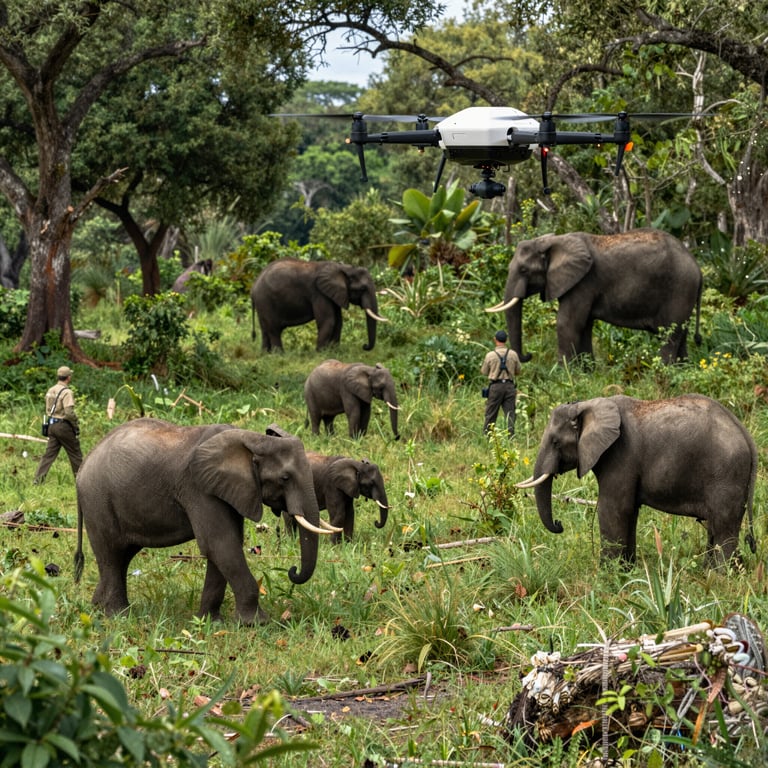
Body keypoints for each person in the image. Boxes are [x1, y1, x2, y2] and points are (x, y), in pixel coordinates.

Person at [34, 365, 82, 484]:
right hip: (63, 426)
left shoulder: (51, 390)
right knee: (75, 454)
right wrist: (76, 424)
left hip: (51, 425)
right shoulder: (67, 392)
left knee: (48, 455)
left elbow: (47, 409)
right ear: (68, 378)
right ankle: (82, 481)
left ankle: (38, 480)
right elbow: (69, 413)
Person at [480, 329, 521, 437]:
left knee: (491, 413)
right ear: (506, 340)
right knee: (510, 413)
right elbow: (518, 371)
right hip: (509, 386)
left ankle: (488, 436)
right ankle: (510, 436)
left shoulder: (490, 355)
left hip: (495, 386)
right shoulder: (513, 354)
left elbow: (484, 371)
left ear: (495, 340)